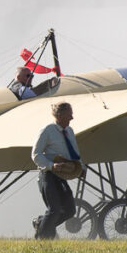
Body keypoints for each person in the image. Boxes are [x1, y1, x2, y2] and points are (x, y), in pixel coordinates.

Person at [31, 102, 83, 239]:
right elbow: (36, 154)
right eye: (69, 115)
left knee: (70, 210)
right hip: (48, 174)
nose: (72, 118)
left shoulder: (70, 131)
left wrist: (81, 168)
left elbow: (75, 153)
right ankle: (43, 240)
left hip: (61, 175)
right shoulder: (47, 130)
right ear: (59, 115)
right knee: (54, 209)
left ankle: (41, 223)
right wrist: (51, 165)